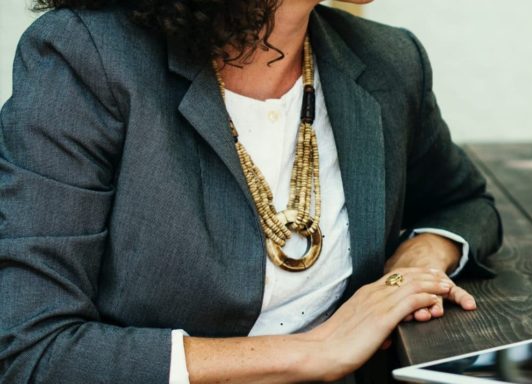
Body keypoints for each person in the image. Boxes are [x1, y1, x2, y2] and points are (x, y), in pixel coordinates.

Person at [0, 0, 502, 382]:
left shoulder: (389, 60)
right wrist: (317, 351)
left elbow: (462, 202)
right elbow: (31, 346)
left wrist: (417, 261)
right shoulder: (89, 57)